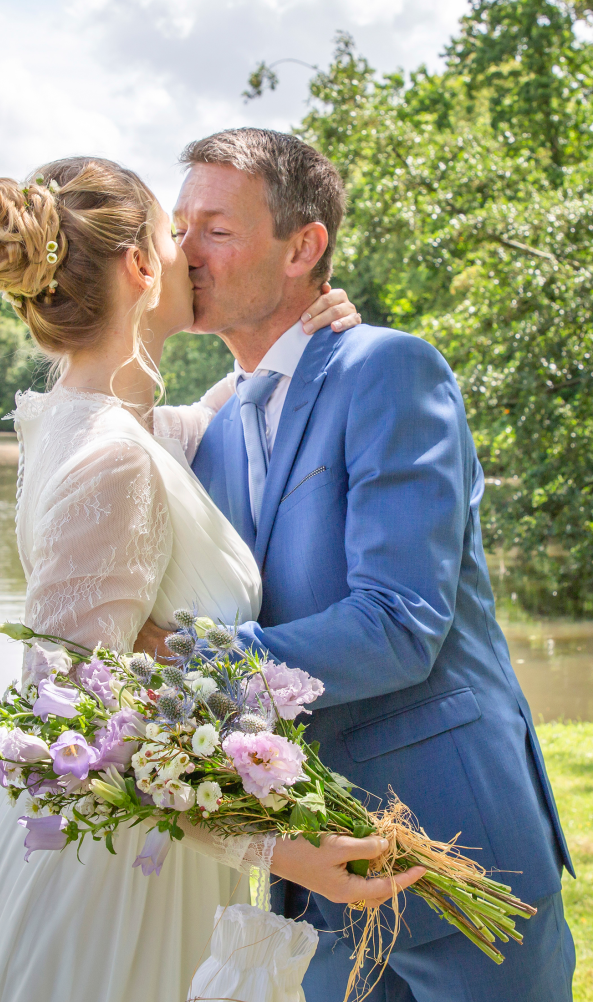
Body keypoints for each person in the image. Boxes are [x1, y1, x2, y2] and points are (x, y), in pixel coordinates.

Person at [0, 156, 423, 1002]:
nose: (191, 253)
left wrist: (302, 336)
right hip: (109, 892)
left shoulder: (96, 425)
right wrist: (273, 847)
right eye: (174, 234)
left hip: (140, 857)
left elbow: (211, 417)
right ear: (139, 266)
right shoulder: (111, 459)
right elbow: (67, 729)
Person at [138, 127, 576, 1002]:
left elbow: (399, 623)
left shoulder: (387, 370)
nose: (185, 253)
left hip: (456, 841)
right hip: (314, 866)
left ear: (303, 247)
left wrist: (185, 666)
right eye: (178, 230)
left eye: (215, 230)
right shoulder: (209, 435)